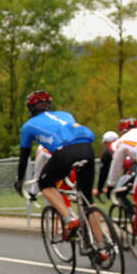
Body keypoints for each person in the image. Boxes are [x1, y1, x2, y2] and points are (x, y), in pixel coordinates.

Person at [14, 90, 98, 244]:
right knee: (87, 200)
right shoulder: (66, 114)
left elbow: (24, 158)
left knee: (45, 184)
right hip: (87, 147)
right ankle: (103, 247)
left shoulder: (28, 126)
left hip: (64, 151)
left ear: (31, 109)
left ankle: (70, 218)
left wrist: (20, 180)